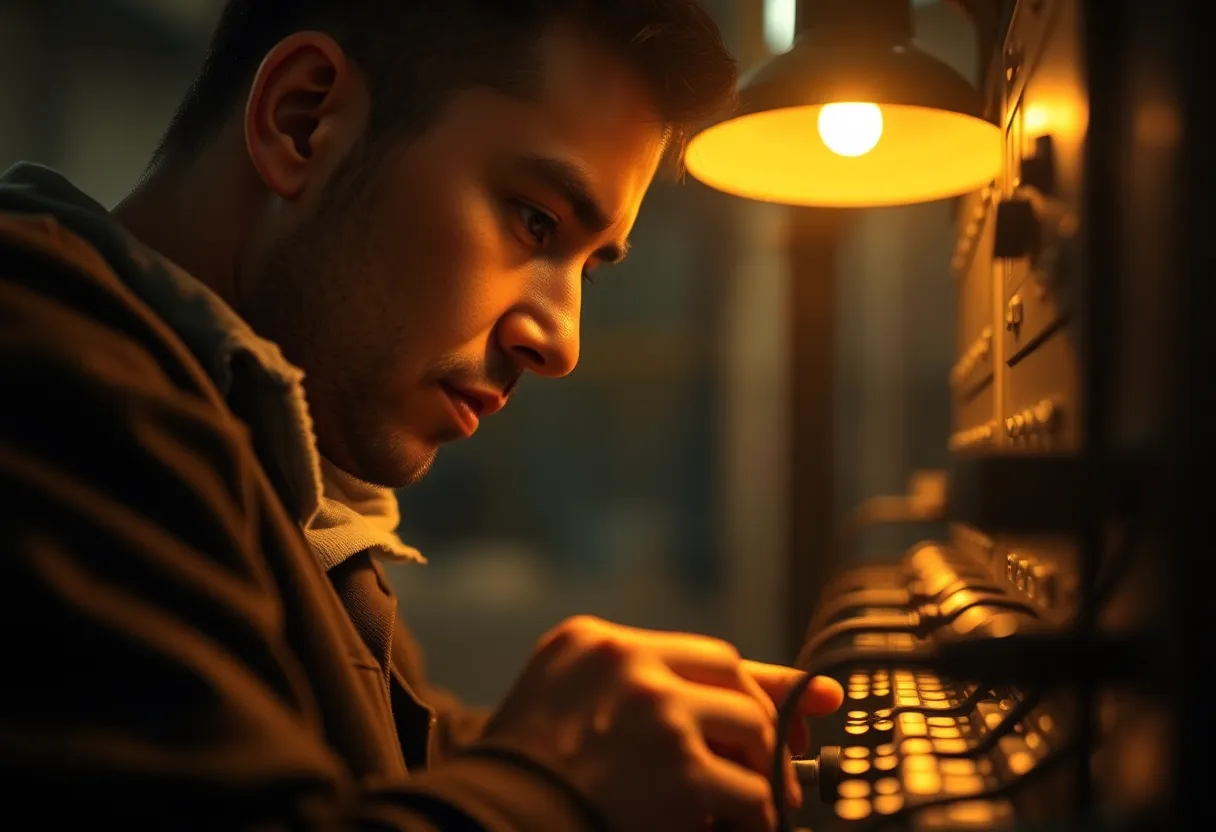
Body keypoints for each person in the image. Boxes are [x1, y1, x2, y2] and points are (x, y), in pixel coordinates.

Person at [0, 1, 843, 829]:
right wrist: (552, 786)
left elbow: (375, 769)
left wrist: (635, 743)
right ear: (301, 121)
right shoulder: (49, 379)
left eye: (591, 269)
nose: (562, 343)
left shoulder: (275, 474)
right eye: (534, 219)